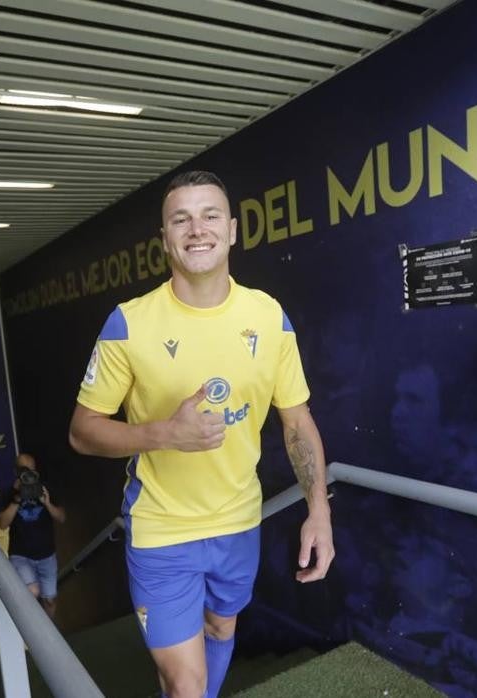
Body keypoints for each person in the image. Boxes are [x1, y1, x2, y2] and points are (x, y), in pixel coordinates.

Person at [68, 170, 335, 698]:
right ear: (165, 239)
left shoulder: (269, 317)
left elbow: (297, 422)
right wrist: (165, 433)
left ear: (233, 230)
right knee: (184, 683)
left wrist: (319, 512)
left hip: (238, 522)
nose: (197, 229)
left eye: (210, 215)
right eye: (181, 219)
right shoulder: (129, 323)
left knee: (221, 629)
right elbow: (83, 432)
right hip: (161, 528)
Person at [0, 453, 66, 619]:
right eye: (23, 470)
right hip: (21, 555)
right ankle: (33, 637)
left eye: (31, 470)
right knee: (32, 592)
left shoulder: (45, 488)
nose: (27, 473)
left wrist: (47, 503)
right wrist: (16, 499)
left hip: (47, 555)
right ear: (16, 471)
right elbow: (2, 524)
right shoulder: (8, 492)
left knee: (49, 600)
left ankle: (48, 635)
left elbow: (62, 517)